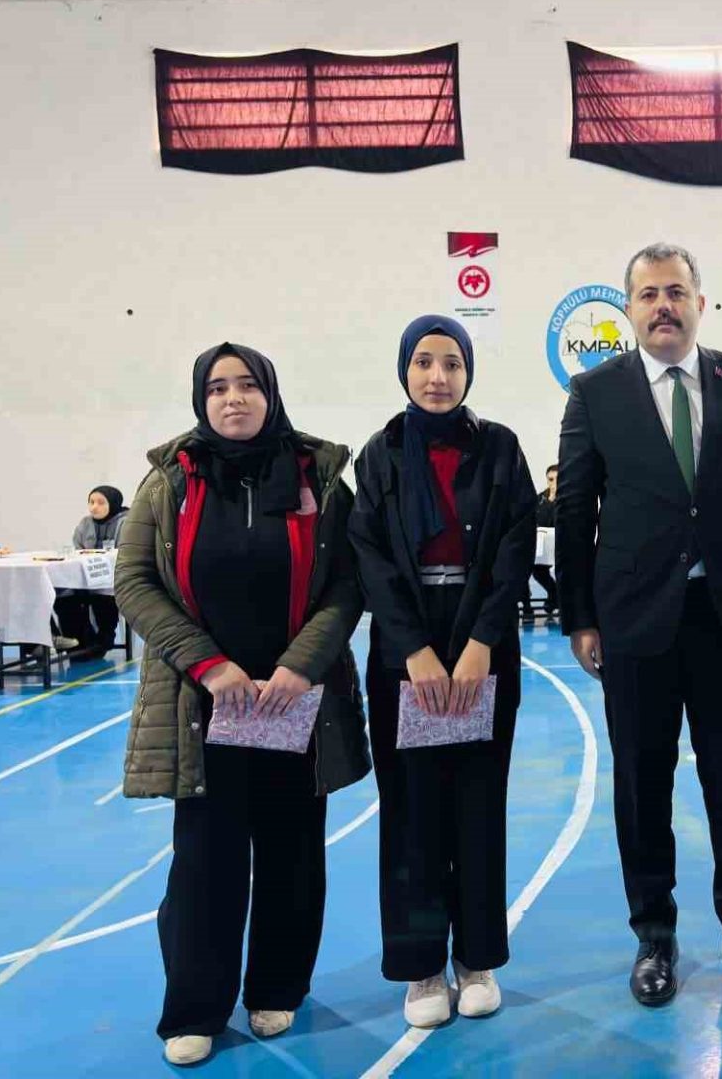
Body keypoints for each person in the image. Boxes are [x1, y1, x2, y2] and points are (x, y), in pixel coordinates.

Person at [115, 342, 370, 1068]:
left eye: (248, 385)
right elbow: (135, 582)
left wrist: (299, 667)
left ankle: (277, 986)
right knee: (204, 860)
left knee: (293, 851)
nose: (234, 399)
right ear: (202, 399)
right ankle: (195, 1007)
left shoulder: (320, 477)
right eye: (219, 387)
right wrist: (209, 664)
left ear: (271, 394)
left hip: (295, 703)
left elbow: (346, 585)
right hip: (203, 706)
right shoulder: (170, 480)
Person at [556, 242, 722, 1007]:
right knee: (642, 786)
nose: (663, 306)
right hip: (634, 623)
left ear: (700, 303)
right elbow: (574, 510)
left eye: (676, 292)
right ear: (629, 308)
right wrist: (579, 616)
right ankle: (654, 935)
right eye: (649, 294)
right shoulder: (594, 392)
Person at [349, 315, 536, 1029]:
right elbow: (369, 557)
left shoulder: (500, 447)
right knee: (412, 814)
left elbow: (516, 544)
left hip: (483, 644)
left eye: (451, 363)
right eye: (424, 362)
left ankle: (477, 958)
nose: (437, 377)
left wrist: (484, 639)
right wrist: (412, 652)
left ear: (468, 372)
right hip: (408, 655)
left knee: (479, 806)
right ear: (404, 370)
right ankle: (422, 966)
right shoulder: (380, 455)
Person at [54, 486, 129, 657]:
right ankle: (78, 642)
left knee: (103, 594)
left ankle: (104, 638)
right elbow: (77, 549)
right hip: (85, 579)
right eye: (91, 502)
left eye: (101, 503)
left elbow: (126, 553)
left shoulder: (126, 522)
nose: (94, 507)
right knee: (63, 595)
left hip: (114, 578)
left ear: (113, 504)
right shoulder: (85, 523)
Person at [530, 464, 560, 619]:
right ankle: (553, 594)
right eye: (551, 479)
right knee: (537, 571)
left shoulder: (567, 499)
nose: (553, 483)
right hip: (543, 542)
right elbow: (539, 519)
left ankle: (559, 599)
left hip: (561, 543)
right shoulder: (541, 498)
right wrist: (550, 501)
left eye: (557, 479)